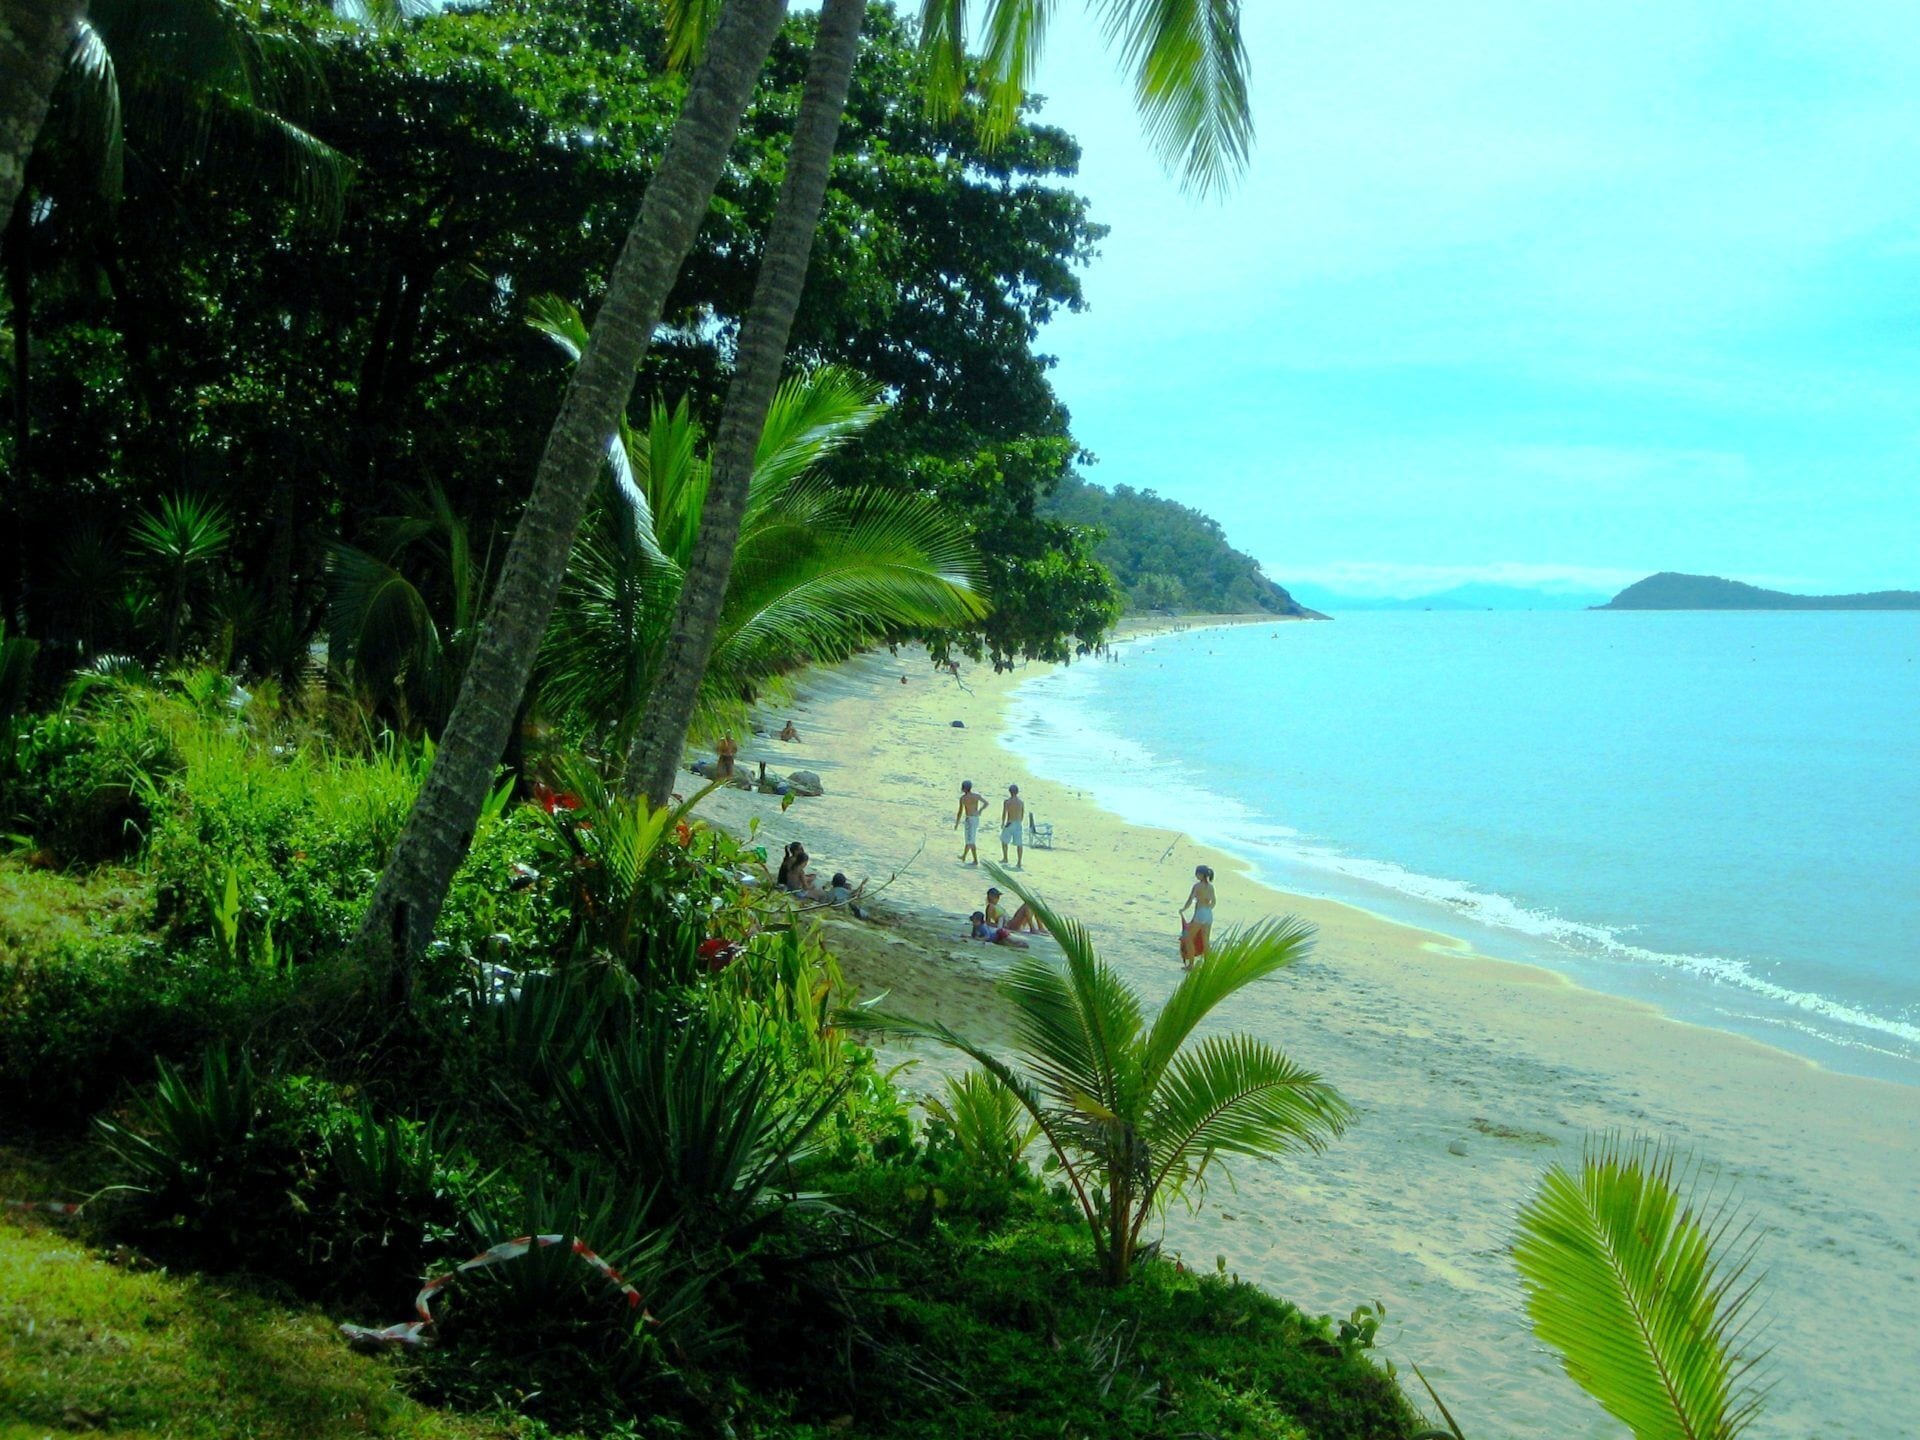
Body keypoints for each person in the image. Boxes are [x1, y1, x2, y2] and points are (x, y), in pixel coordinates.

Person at [1179, 865, 1216, 968]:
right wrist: (1207, 908)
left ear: (1201, 874)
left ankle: (1191, 964)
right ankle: (1208, 965)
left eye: (1197, 873)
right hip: (1209, 913)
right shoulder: (1211, 887)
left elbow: (1190, 900)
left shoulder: (1197, 886)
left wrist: (1183, 910)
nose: (1196, 875)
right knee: (1205, 940)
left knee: (1189, 938)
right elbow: (1214, 902)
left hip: (1200, 913)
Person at [954, 779, 987, 864]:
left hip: (969, 819)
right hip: (976, 818)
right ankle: (964, 856)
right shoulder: (976, 796)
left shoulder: (963, 798)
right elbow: (986, 803)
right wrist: (980, 810)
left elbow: (960, 812)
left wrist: (957, 823)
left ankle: (975, 860)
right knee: (969, 839)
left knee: (970, 840)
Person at [1000, 783, 1026, 867]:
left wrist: (1003, 823)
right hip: (1018, 823)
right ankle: (1019, 862)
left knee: (1004, 841)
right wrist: (1020, 821)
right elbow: (1022, 814)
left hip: (1010, 822)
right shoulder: (1021, 802)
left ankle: (1005, 858)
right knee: (1019, 844)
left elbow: (1004, 813)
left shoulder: (1007, 802)